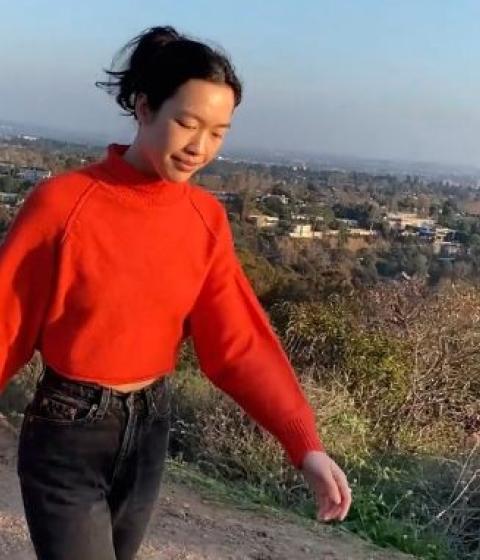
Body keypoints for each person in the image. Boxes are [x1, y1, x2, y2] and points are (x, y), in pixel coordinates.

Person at [0, 25, 351, 560]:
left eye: (218, 132)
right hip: (68, 432)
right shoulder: (63, 205)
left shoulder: (203, 219)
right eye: (186, 124)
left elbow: (238, 343)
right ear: (143, 108)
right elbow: (6, 324)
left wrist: (305, 445)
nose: (200, 148)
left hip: (150, 428)